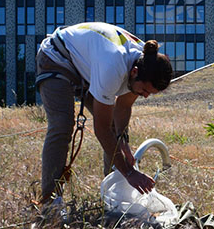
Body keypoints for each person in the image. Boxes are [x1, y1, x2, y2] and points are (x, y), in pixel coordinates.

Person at [36, 22, 173, 206]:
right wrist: (130, 172)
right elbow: (101, 129)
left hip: (87, 68)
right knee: (62, 125)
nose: (146, 96)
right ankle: (49, 202)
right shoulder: (113, 66)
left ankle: (113, 197)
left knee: (116, 132)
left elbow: (122, 108)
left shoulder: (145, 61)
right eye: (144, 91)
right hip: (56, 58)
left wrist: (122, 138)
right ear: (134, 72)